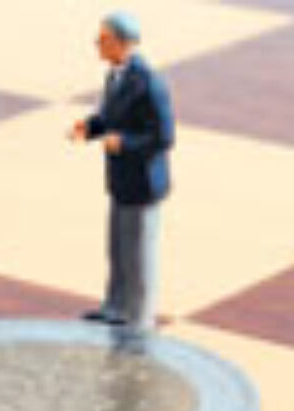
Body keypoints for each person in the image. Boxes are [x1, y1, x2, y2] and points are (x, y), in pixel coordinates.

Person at [69, 11, 175, 330]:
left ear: (121, 43)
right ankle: (115, 307)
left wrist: (124, 142)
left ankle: (140, 321)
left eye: (103, 39)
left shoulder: (149, 84)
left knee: (139, 256)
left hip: (142, 184)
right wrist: (90, 127)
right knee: (117, 248)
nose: (96, 43)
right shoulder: (115, 76)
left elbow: (163, 137)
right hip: (120, 181)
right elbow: (109, 116)